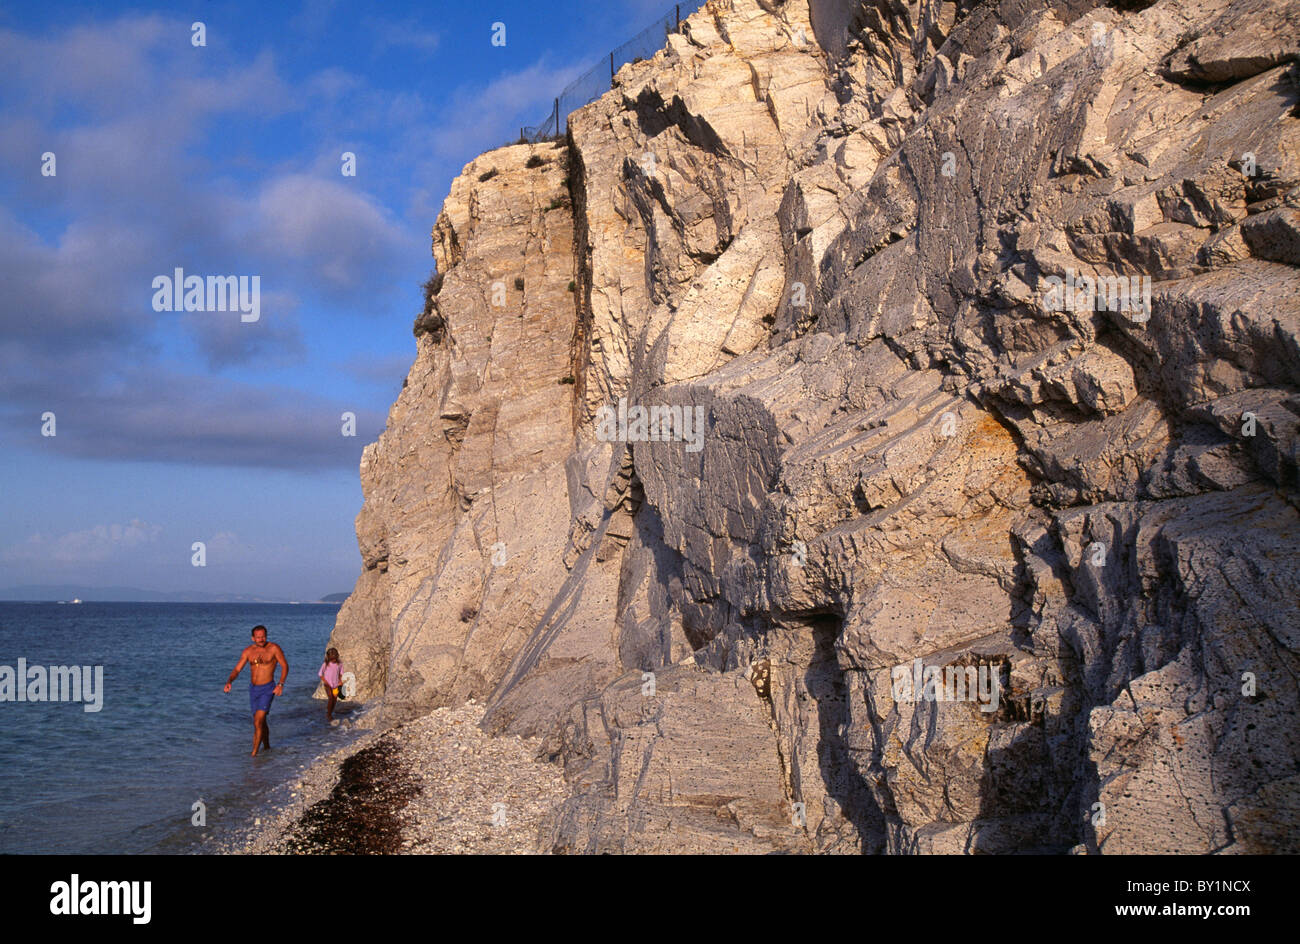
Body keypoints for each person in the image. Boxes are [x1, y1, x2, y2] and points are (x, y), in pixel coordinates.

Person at [223, 625, 287, 756]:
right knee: (261, 721)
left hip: (268, 688)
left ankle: (253, 755)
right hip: (253, 690)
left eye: (263, 636)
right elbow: (237, 669)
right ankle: (267, 747)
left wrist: (280, 684)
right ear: (253, 638)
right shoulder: (248, 651)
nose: (261, 639)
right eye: (258, 637)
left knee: (257, 721)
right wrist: (229, 681)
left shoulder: (273, 648)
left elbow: (285, 666)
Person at [318, 647, 344, 724]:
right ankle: (328, 714)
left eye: (335, 658)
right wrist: (325, 682)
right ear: (329, 658)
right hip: (327, 685)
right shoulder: (325, 664)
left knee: (335, 699)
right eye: (332, 659)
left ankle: (330, 711)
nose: (334, 660)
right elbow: (320, 674)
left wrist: (340, 681)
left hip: (335, 684)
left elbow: (340, 673)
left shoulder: (339, 664)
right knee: (331, 698)